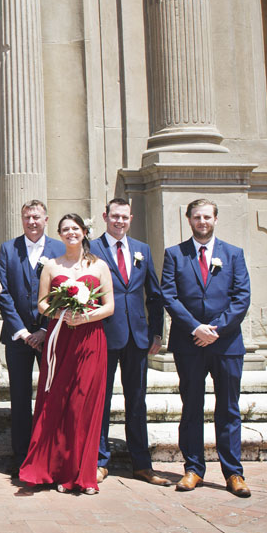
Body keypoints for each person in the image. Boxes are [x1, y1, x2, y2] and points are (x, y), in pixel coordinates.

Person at [160, 198, 252, 498]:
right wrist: (195, 328)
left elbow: (241, 297)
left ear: (215, 219)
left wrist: (215, 330)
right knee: (192, 408)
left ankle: (233, 473)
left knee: (228, 408)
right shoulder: (175, 254)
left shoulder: (233, 254)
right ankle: (193, 469)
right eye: (197, 217)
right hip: (189, 343)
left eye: (207, 217)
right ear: (188, 220)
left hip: (226, 344)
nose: (202, 222)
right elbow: (169, 296)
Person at [18, 214, 113, 495]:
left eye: (75, 229)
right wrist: (61, 312)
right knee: (57, 402)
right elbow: (42, 305)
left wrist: (85, 317)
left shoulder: (99, 266)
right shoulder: (51, 265)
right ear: (59, 234)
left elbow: (109, 307)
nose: (71, 233)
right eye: (65, 230)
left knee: (83, 404)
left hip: (90, 340)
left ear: (84, 232)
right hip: (59, 341)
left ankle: (82, 475)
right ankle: (56, 469)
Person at [90, 198, 167, 486]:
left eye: (124, 217)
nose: (119, 221)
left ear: (130, 218)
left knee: (137, 401)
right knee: (102, 400)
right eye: (114, 216)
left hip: (138, 337)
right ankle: (100, 461)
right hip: (104, 335)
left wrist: (156, 332)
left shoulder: (142, 250)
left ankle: (142, 465)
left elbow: (154, 294)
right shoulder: (92, 249)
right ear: (105, 217)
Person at [0, 200, 65, 475]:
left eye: (36, 217)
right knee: (20, 398)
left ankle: (49, 454)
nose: (31, 222)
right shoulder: (7, 249)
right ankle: (22, 456)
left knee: (52, 396)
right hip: (18, 337)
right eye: (26, 217)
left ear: (46, 219)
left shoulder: (59, 249)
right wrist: (23, 331)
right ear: (21, 219)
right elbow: (3, 292)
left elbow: (65, 291)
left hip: (52, 335)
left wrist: (45, 329)